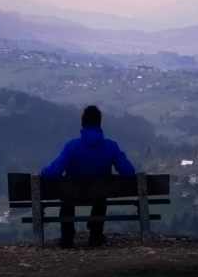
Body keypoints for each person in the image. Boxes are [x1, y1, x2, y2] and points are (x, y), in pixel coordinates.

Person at [40, 104, 136, 248]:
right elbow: (129, 172)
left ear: (83, 124)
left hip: (72, 194)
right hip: (99, 194)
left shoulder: (72, 146)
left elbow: (54, 172)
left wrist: (43, 172)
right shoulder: (111, 147)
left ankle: (67, 237)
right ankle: (95, 235)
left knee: (66, 195)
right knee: (101, 194)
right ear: (99, 123)